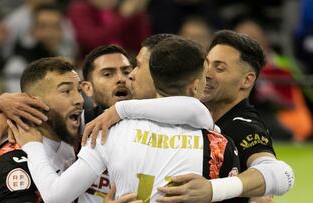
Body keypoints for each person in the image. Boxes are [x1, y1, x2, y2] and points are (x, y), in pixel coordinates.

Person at [8, 37, 241, 202]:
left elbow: (56, 196)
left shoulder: (108, 131)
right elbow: (197, 112)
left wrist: (32, 146)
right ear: (196, 85)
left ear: (155, 75)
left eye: (135, 66)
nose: (128, 76)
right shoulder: (217, 142)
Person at [84, 30, 295, 202]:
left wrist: (212, 189)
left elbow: (280, 174)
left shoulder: (242, 125)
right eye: (207, 64)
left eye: (219, 68)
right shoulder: (193, 113)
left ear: (247, 81)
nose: (207, 73)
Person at [0, 57, 83, 202]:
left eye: (79, 90)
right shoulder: (14, 161)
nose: (79, 99)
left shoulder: (73, 144)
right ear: (34, 103)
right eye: (66, 91)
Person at [4, 3, 76, 92]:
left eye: (55, 26)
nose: (49, 33)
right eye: (42, 26)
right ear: (33, 30)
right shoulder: (18, 63)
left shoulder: (66, 56)